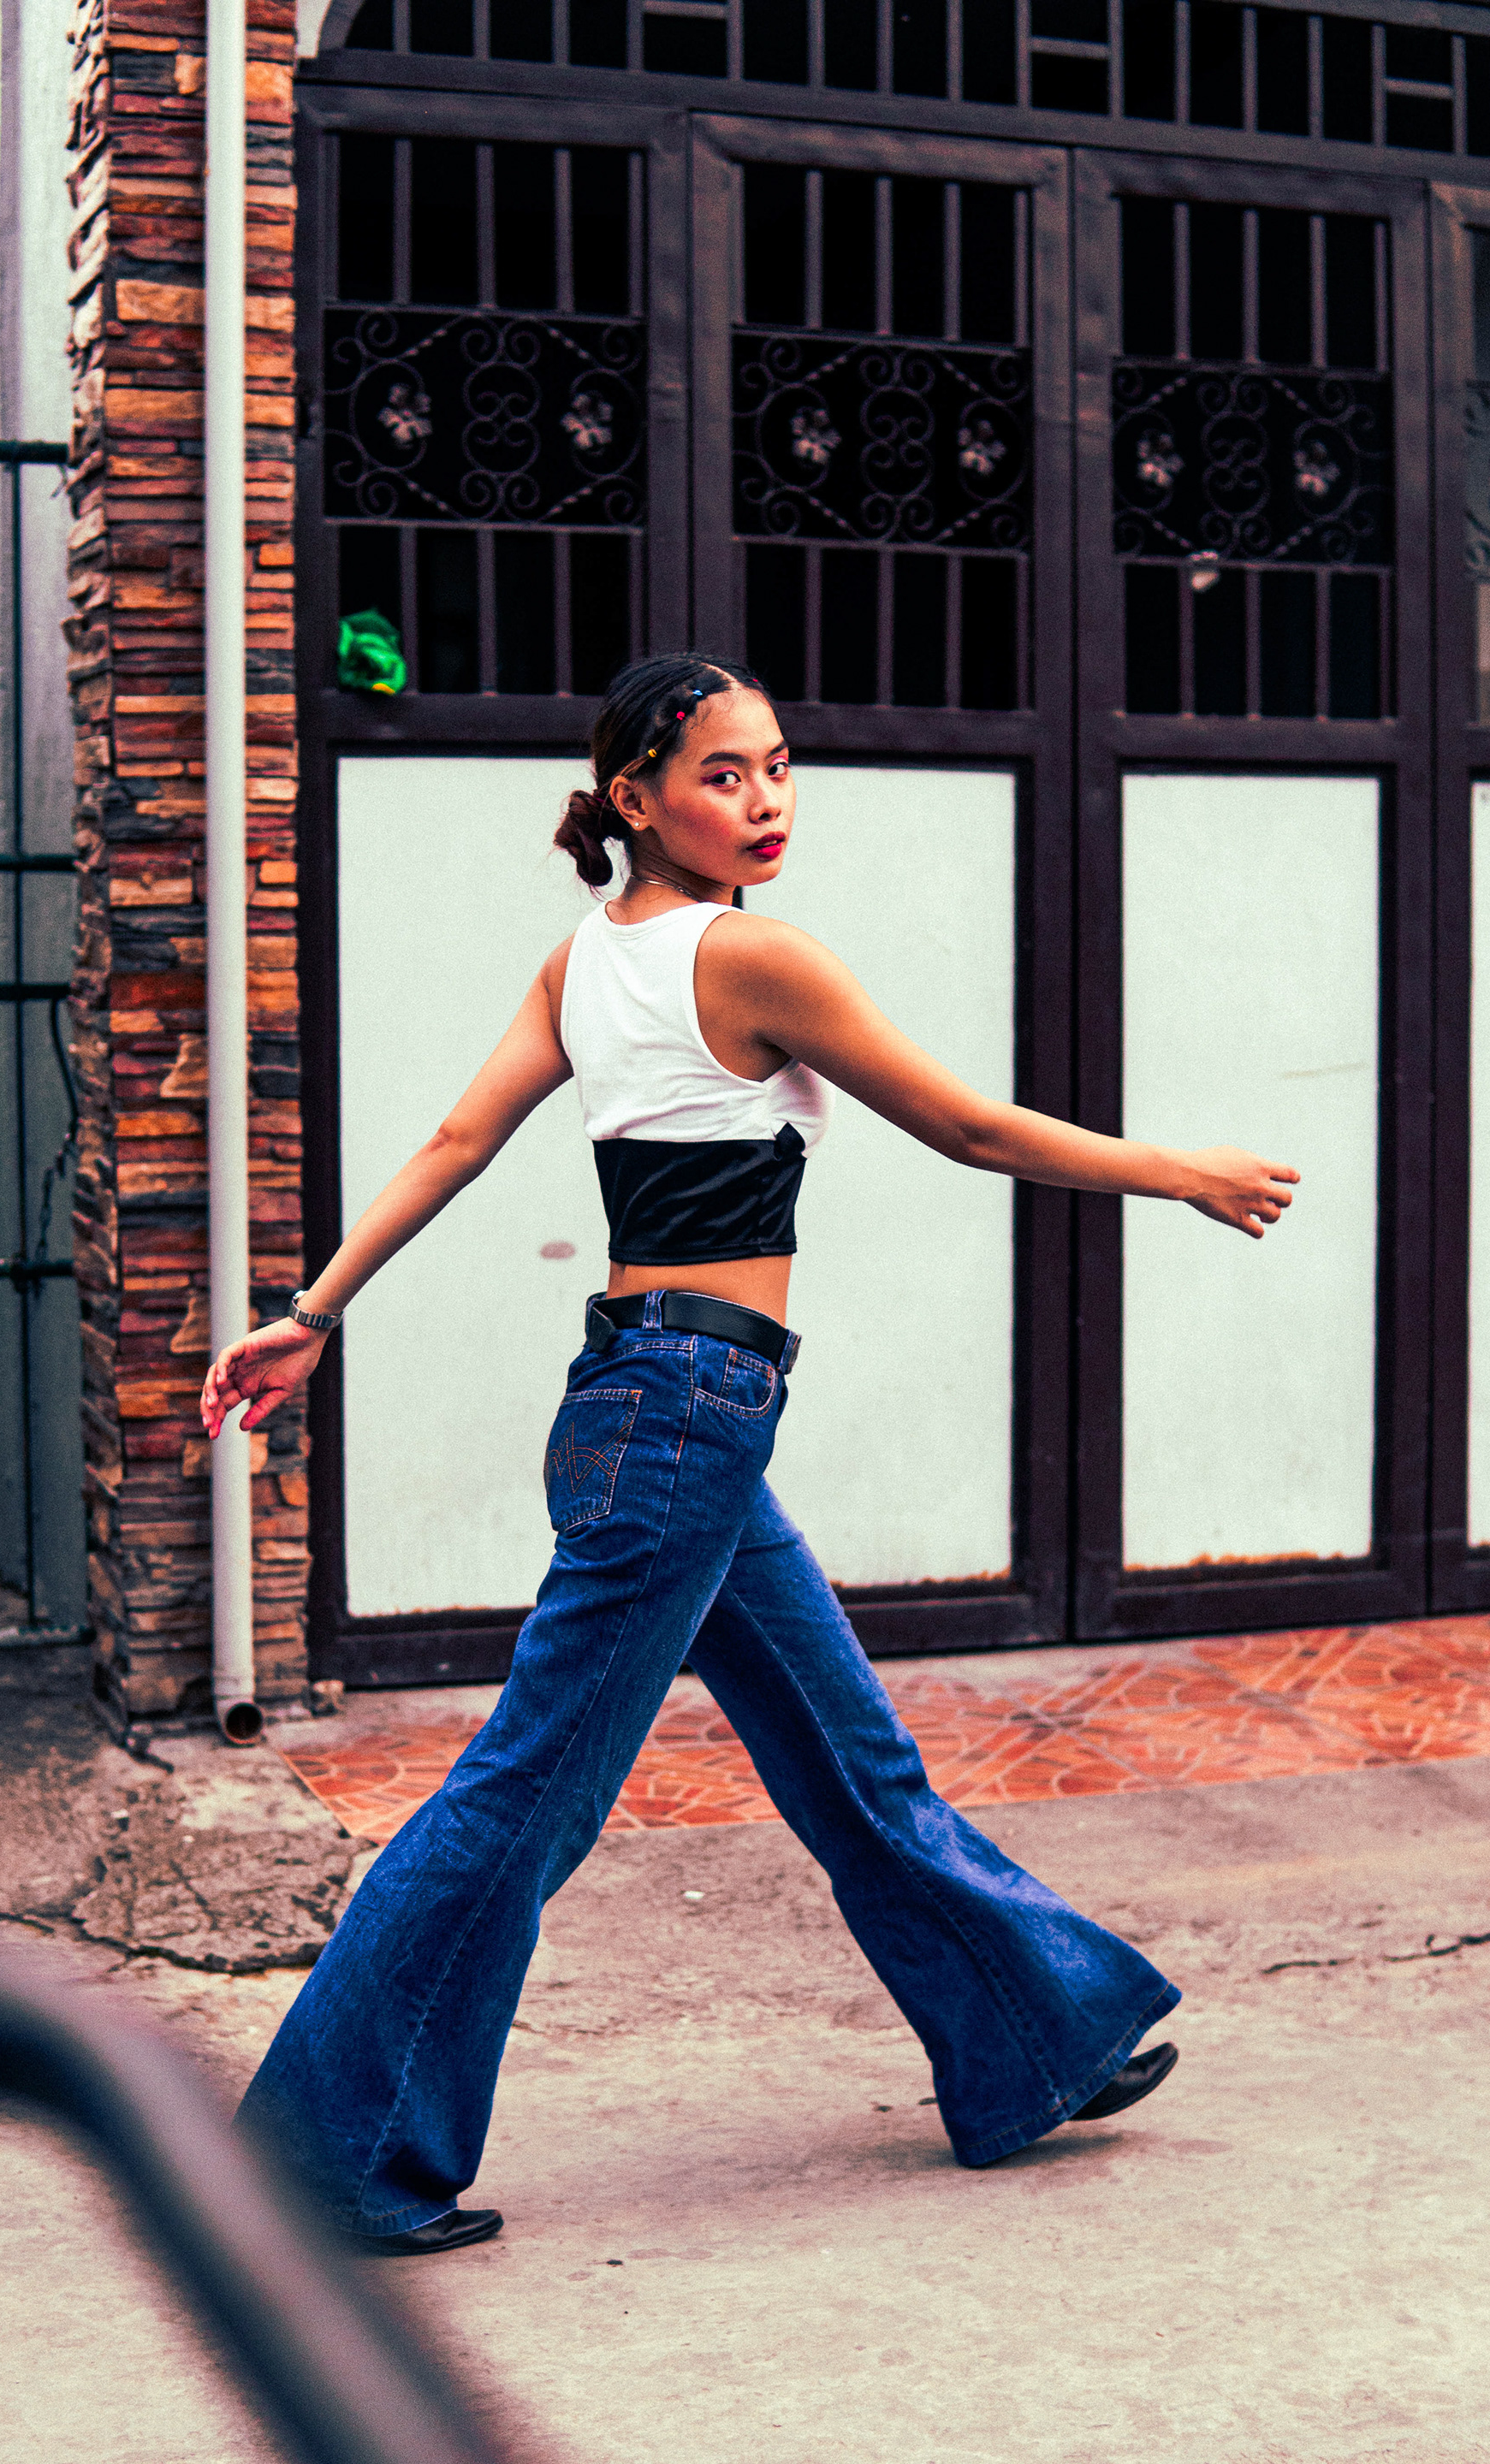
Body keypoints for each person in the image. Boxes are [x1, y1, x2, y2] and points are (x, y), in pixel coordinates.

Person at [202, 652, 1298, 2255]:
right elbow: (968, 1127)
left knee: (851, 1759)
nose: (767, 800)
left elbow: (455, 1140)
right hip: (684, 1419)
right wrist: (1178, 1169)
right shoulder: (750, 957)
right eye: (724, 775)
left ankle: (1035, 2036)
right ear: (637, 798)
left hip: (649, 1405)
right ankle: (327, 2161)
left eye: (777, 766)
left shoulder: (586, 962)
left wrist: (314, 1309)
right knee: (526, 1792)